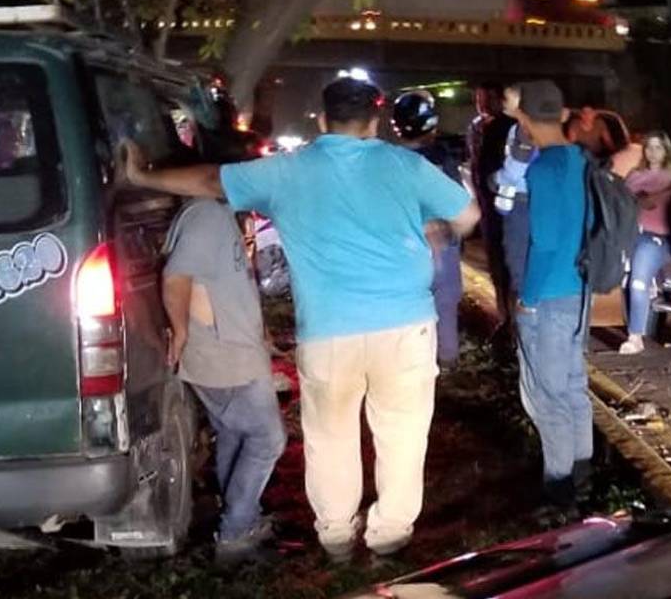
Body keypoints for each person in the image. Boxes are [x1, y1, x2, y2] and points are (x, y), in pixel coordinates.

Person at [124, 77, 480, 561]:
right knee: (402, 434)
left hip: (329, 332)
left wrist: (143, 176)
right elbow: (467, 215)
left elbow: (212, 181)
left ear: (322, 118)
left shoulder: (288, 171)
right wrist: (431, 228)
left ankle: (336, 536)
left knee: (331, 437)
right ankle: (390, 535)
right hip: (405, 326)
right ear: (375, 121)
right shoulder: (405, 165)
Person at [162, 197, 286, 561]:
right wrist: (181, 331)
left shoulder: (217, 215)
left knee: (234, 431)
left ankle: (238, 517)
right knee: (268, 439)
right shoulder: (206, 216)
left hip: (233, 348)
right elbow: (176, 276)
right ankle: (236, 532)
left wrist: (259, 332)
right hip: (224, 353)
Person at [511, 80, 592, 511]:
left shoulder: (542, 170)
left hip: (549, 297)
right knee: (574, 387)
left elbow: (542, 241)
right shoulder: (581, 160)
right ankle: (582, 476)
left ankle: (559, 491)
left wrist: (528, 297)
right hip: (579, 292)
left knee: (548, 395)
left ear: (523, 118)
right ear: (562, 115)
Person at [392, 90, 464, 368]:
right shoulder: (443, 159)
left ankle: (411, 362)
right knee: (445, 304)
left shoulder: (390, 160)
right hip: (443, 243)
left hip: (405, 245)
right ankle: (447, 361)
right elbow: (459, 203)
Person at [620, 132, 671, 356]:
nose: (653, 152)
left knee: (638, 282)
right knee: (630, 283)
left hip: (656, 236)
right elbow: (621, 201)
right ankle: (638, 325)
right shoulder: (635, 176)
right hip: (633, 234)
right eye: (649, 147)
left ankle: (635, 337)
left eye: (658, 147)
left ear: (666, 150)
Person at [467, 83, 515, 331]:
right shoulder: (476, 126)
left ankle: (511, 316)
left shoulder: (506, 126)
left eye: (487, 97)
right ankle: (504, 314)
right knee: (497, 263)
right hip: (488, 203)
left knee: (509, 263)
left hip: (505, 203)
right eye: (478, 97)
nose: (482, 102)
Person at [492, 106, 538, 302]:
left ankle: (526, 323)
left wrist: (495, 179)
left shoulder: (524, 129)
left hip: (522, 203)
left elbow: (513, 172)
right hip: (538, 201)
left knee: (520, 269)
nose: (504, 103)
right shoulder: (551, 128)